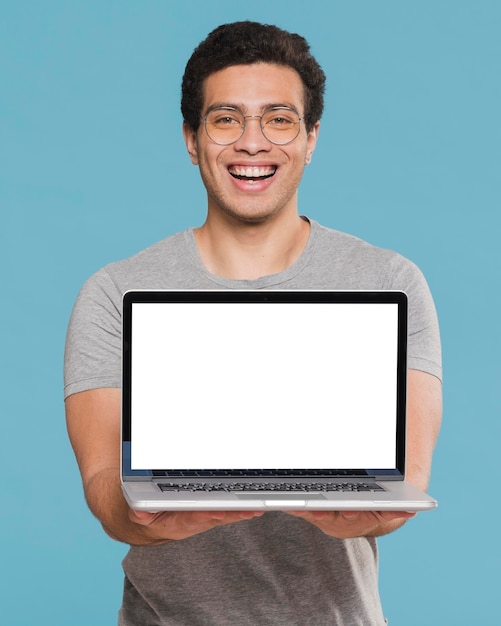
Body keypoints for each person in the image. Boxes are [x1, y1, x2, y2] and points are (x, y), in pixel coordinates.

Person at [64, 21, 442, 625]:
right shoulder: (114, 293)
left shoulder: (390, 281)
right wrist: (149, 514)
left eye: (279, 118)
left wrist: (373, 511)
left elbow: (403, 482)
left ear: (312, 137)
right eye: (226, 119)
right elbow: (106, 489)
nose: (252, 142)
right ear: (191, 138)